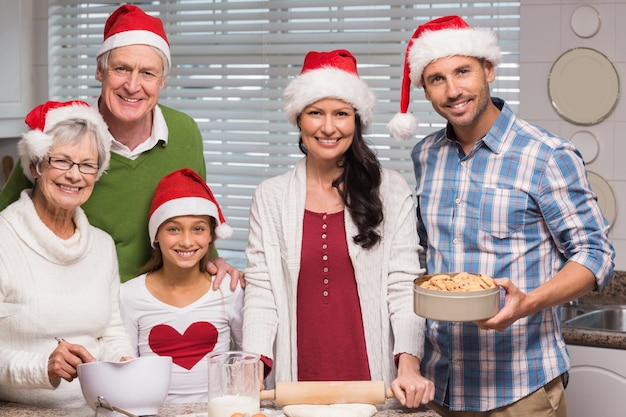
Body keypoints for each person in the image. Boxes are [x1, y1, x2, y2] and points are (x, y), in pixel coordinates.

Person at [387, 15, 616, 416]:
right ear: (424, 89)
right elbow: (423, 254)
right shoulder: (425, 154)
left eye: (463, 71)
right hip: (439, 387)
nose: (453, 90)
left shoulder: (546, 155)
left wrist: (528, 303)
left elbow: (595, 255)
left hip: (520, 390)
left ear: (488, 69)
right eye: (437, 78)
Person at [242, 49, 434, 408]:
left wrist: (408, 363)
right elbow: (262, 291)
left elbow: (403, 285)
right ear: (299, 118)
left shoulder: (390, 190)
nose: (328, 127)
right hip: (297, 384)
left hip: (373, 382)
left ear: (357, 120)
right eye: (316, 112)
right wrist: (253, 367)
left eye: (341, 114)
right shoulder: (269, 197)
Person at [0, 4, 240, 286]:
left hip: (154, 300)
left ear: (162, 81)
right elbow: (7, 221)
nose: (132, 85)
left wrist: (213, 259)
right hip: (77, 299)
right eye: (122, 69)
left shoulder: (185, 132)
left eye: (148, 73)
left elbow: (194, 214)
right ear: (100, 71)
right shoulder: (59, 133)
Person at [0, 100, 134, 408]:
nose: (75, 175)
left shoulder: (101, 246)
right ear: (35, 166)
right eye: (61, 161)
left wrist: (124, 361)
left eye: (87, 165)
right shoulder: (4, 240)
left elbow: (111, 334)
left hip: (95, 409)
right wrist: (42, 366)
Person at [120, 168, 242, 404]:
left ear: (211, 236)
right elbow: (127, 368)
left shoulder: (229, 290)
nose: (186, 241)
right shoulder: (129, 295)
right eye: (173, 229)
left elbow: (250, 362)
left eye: (198, 229)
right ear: (156, 234)